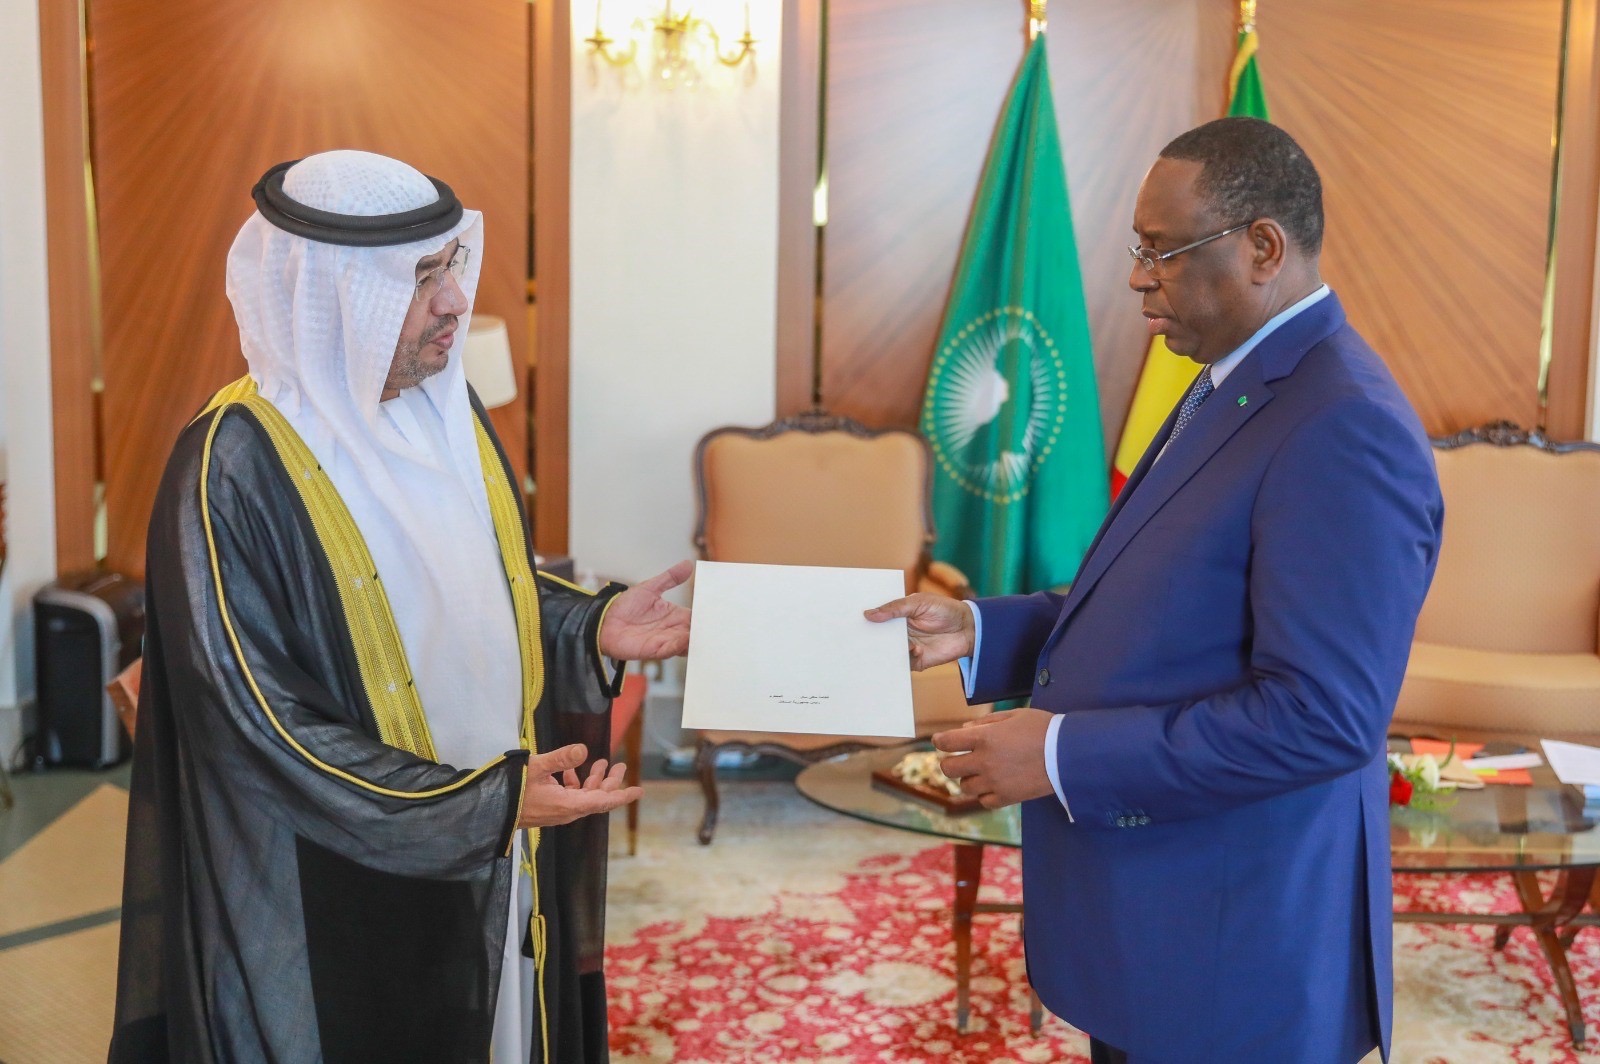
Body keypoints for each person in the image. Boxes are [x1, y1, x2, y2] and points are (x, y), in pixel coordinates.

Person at [868, 118, 1443, 1063]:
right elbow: (1157, 595)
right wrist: (976, 630)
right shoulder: (1236, 379)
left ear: (1263, 248)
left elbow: (1321, 717)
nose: (1139, 277)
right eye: (1140, 250)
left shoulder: (1343, 424)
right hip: (1166, 920)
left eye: (1162, 251)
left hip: (1237, 942)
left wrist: (1059, 754)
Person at [108, 150, 691, 1064]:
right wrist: (473, 809)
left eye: (452, 264)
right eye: (421, 278)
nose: (455, 301)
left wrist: (590, 624)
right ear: (333, 294)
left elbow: (478, 584)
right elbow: (254, 719)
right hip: (336, 883)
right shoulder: (232, 464)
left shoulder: (446, 409)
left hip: (500, 835)